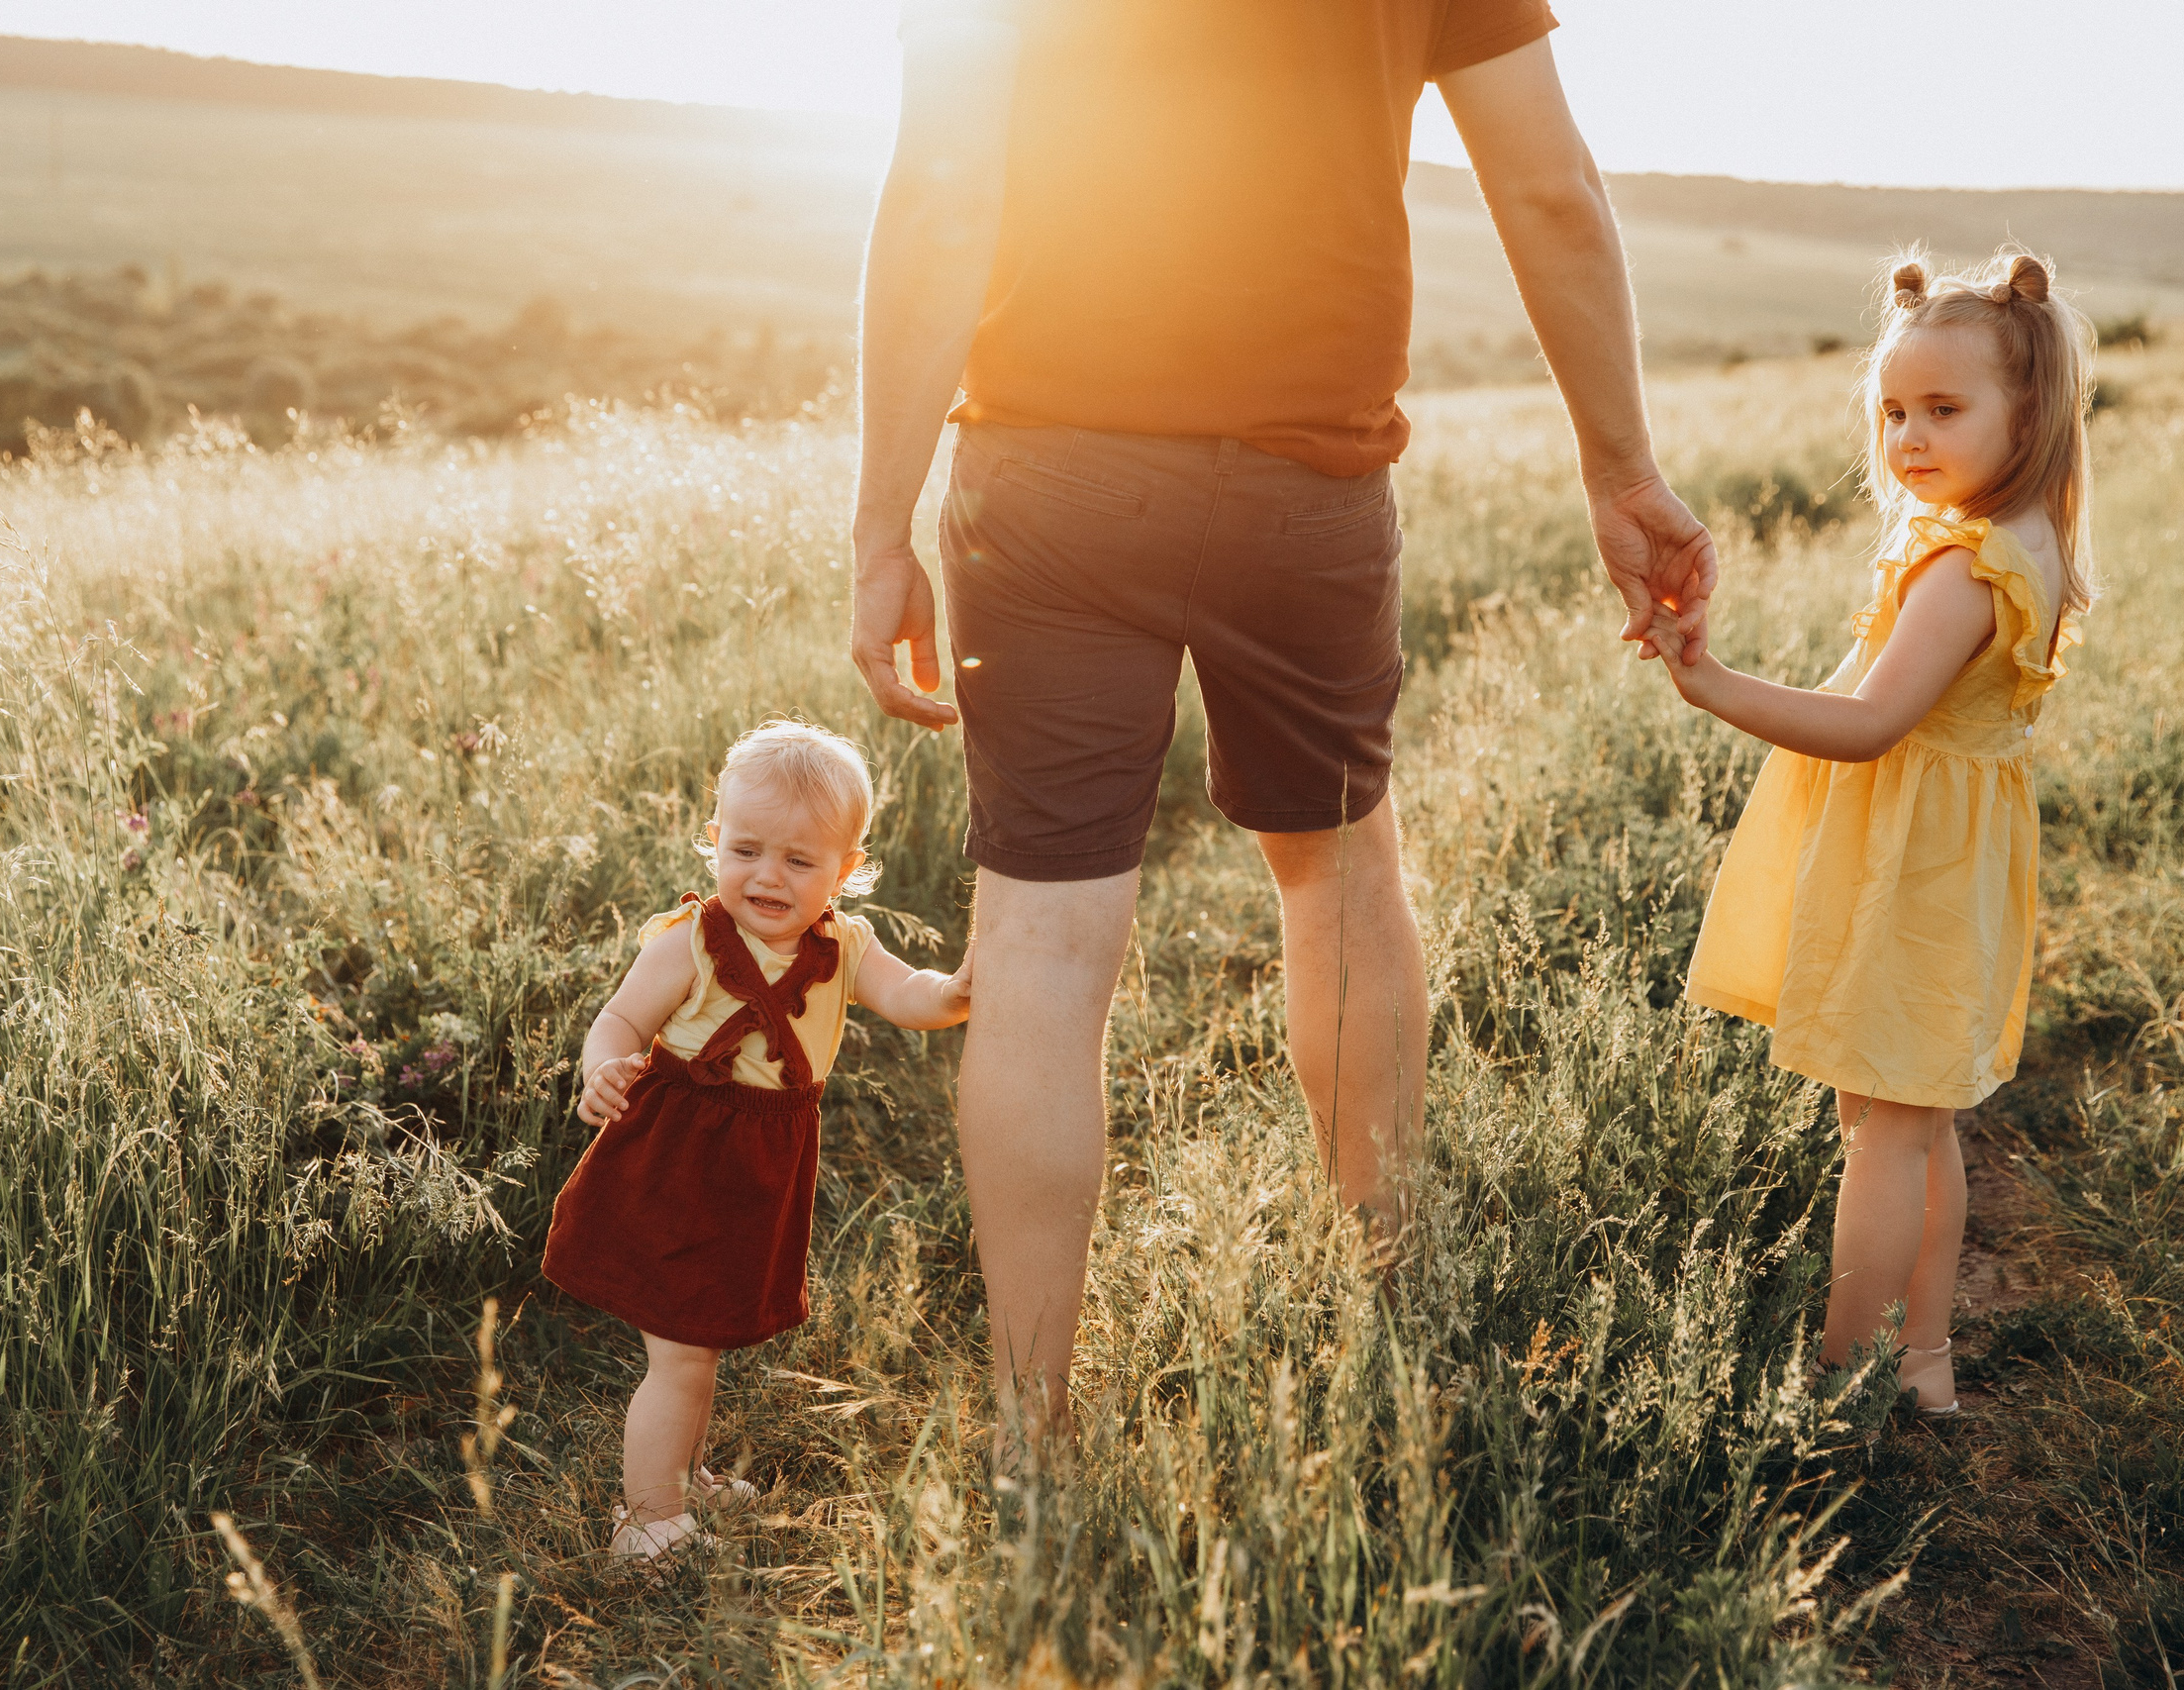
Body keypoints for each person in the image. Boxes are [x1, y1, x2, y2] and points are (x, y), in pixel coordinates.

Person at [849, 0, 1720, 1452]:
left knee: (1043, 936)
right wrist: (1621, 468)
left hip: (1048, 481)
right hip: (1306, 489)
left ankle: (1029, 1429)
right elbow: (1551, 190)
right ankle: (1395, 1315)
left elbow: (942, 192)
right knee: (1341, 873)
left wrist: (880, 526)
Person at [1642, 249, 2095, 1418]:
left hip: (1914, 874)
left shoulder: (1964, 569)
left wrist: (1710, 685)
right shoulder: (2023, 539)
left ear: (2028, 411)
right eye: (1893, 412)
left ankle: (1836, 1387)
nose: (1909, 438)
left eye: (1943, 409)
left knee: (1881, 1139)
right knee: (1912, 1119)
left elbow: (1864, 724)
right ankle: (1923, 1360)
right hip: (1947, 864)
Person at [542, 720, 973, 1557]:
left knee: (705, 1336)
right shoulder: (692, 941)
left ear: (845, 870)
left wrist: (955, 990)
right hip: (675, 1159)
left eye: (799, 860)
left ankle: (683, 1472)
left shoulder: (845, 946)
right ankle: (648, 1519)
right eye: (745, 850)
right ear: (714, 842)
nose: (767, 875)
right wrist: (603, 1066)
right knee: (681, 1355)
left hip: (758, 1168)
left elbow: (908, 995)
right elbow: (621, 1018)